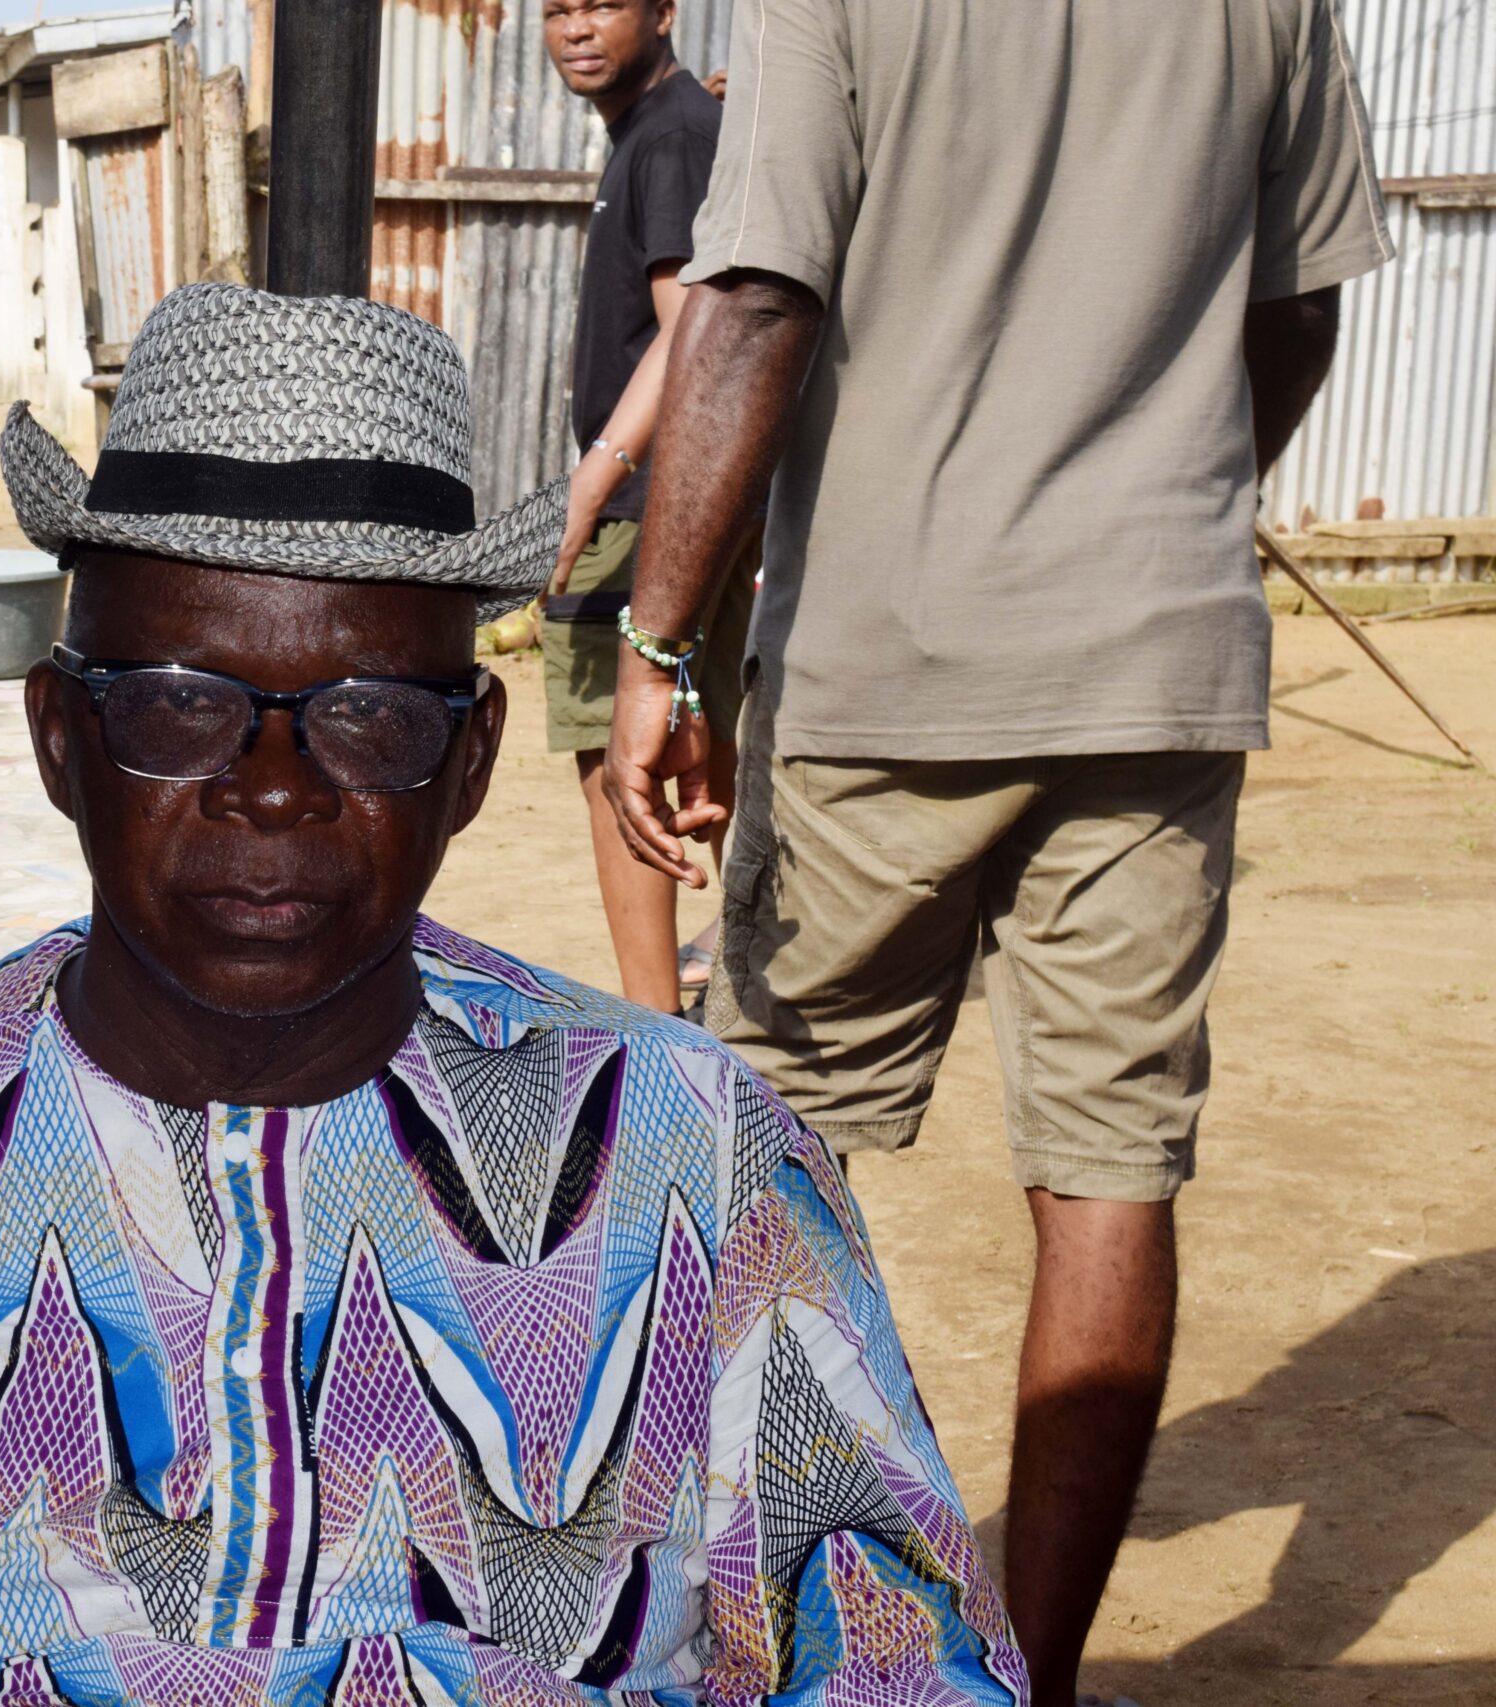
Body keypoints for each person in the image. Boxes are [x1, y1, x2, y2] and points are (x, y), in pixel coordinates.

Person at [0, 285, 1024, 1706]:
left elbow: (902, 1669)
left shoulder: (703, 1169)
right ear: (59, 736)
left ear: (471, 761)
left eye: (368, 714)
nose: (273, 787)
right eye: (180, 704)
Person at [593, 2, 1390, 1702]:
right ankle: (1034, 1678)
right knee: (1111, 1166)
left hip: (888, 662)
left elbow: (756, 299)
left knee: (774, 1155)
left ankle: (769, 1650)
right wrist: (1162, 510)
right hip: (1154, 659)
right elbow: (1300, 304)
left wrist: (659, 642)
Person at [536, 0, 740, 1014]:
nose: (576, 29)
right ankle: (691, 1000)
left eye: (602, 5)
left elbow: (692, 332)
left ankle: (655, 1028)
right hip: (663, 496)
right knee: (681, 748)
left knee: (622, 758)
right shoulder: (658, 132)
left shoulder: (670, 138)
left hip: (652, 505)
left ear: (664, 13)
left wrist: (599, 469)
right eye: (557, 10)